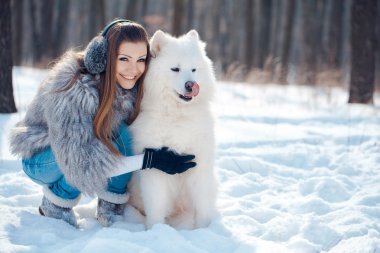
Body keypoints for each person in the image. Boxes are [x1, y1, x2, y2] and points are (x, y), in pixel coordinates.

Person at [9, 19, 196, 228]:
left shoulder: (133, 83)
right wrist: (150, 160)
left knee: (126, 135)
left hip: (85, 149)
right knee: (90, 151)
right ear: (102, 56)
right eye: (124, 58)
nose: (133, 69)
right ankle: (56, 204)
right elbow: (82, 163)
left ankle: (111, 202)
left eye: (141, 59)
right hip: (44, 157)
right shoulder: (72, 87)